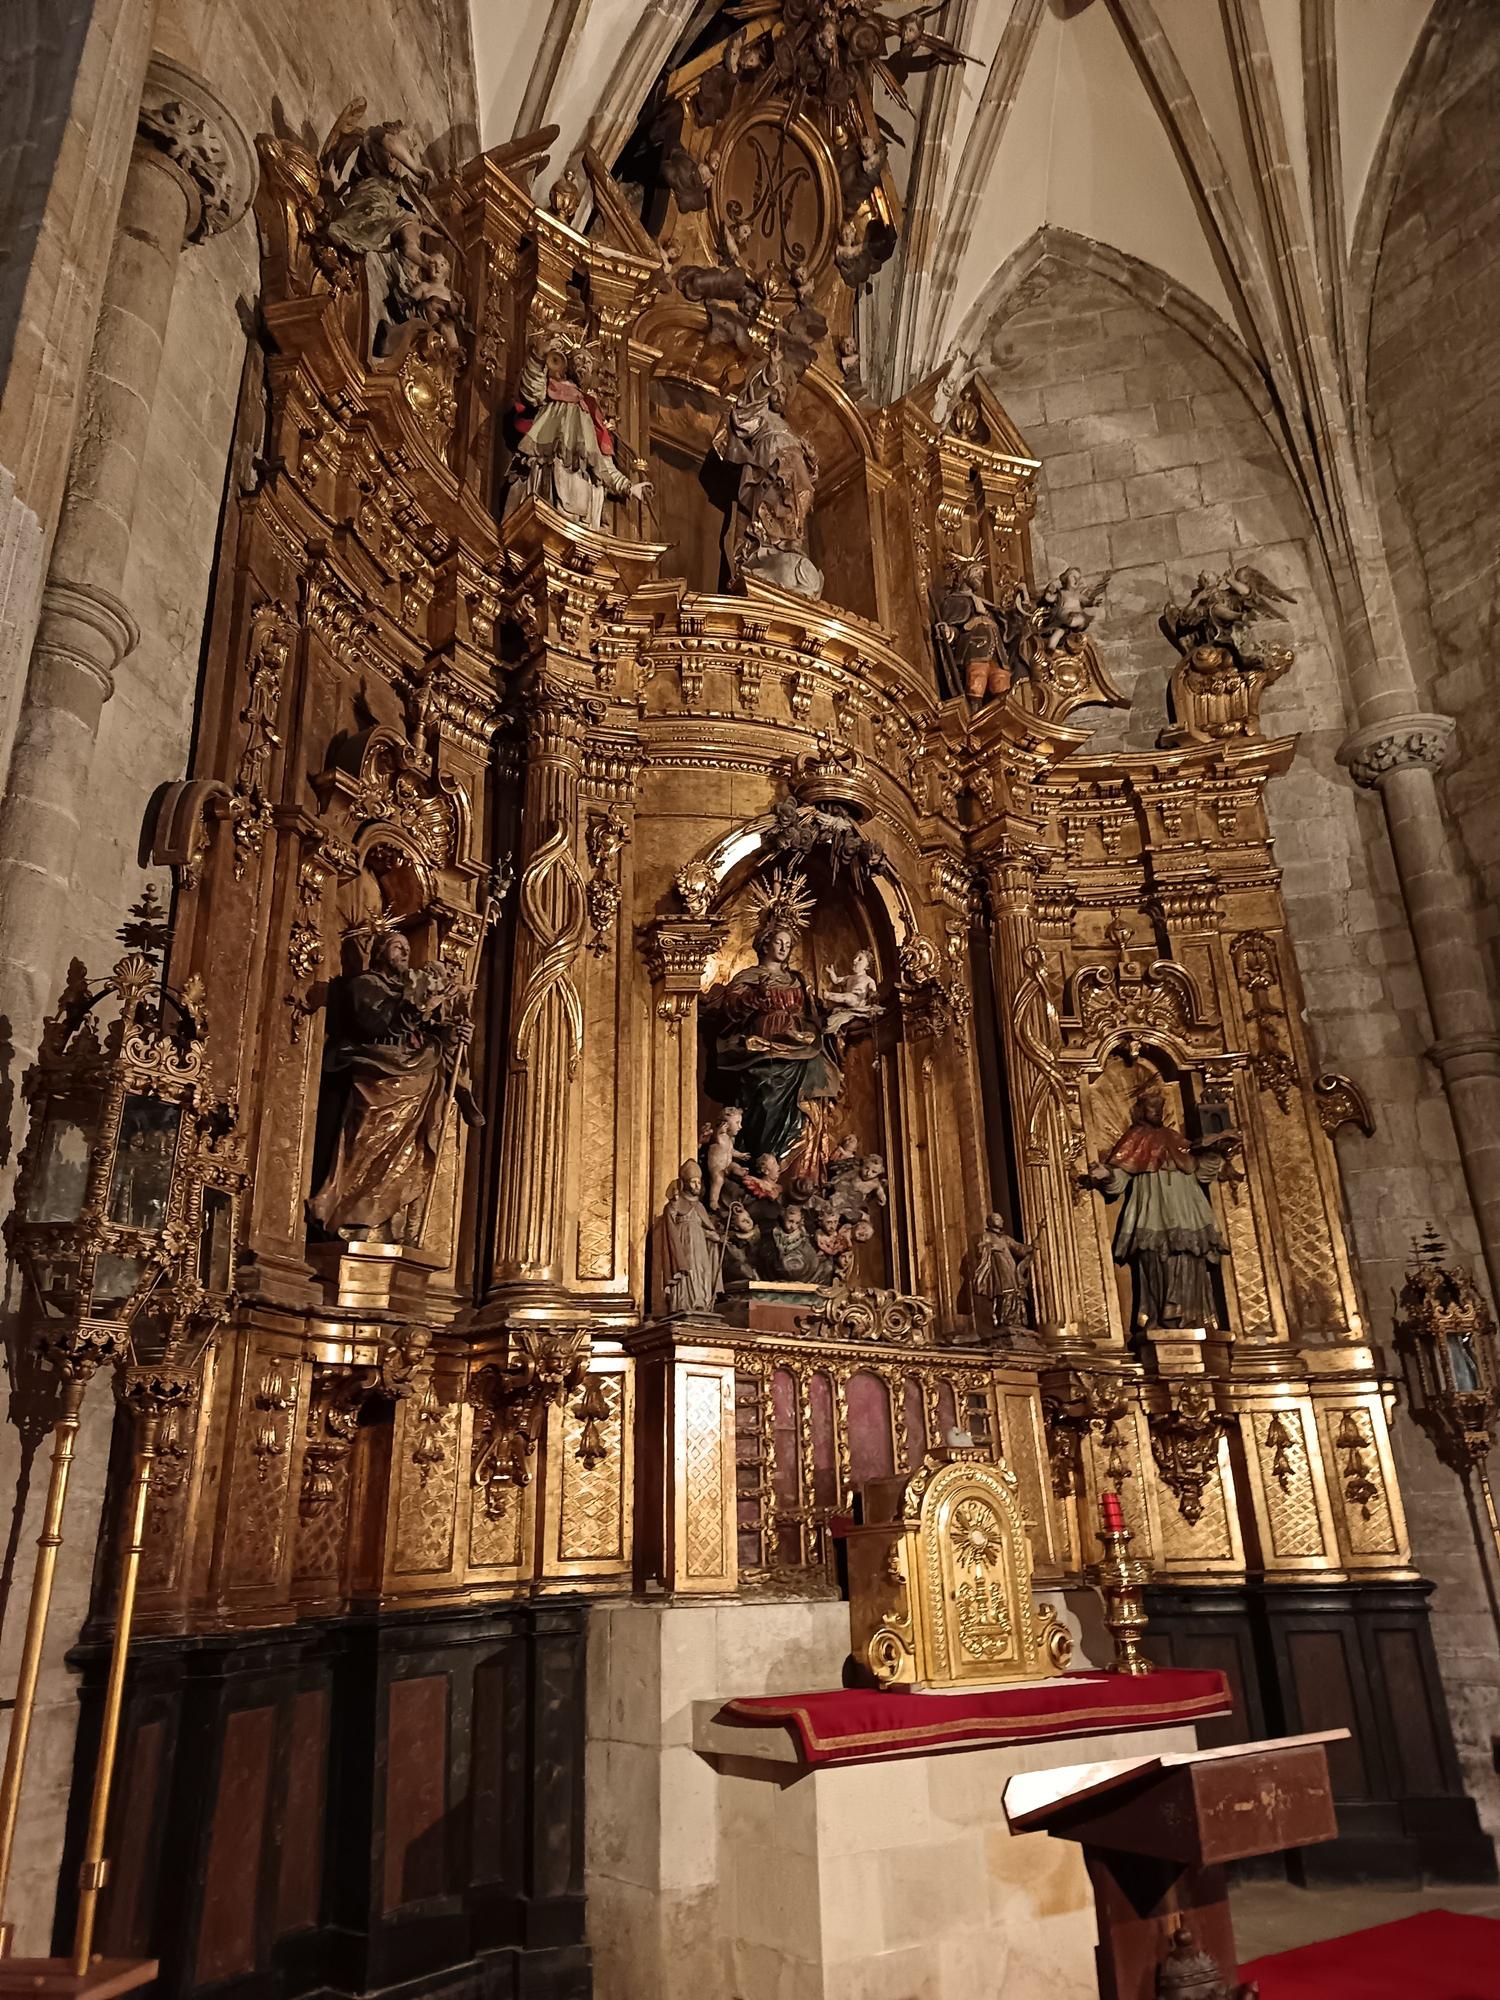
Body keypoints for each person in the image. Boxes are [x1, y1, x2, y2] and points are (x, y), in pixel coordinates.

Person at [308, 932, 475, 1241]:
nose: (405, 952)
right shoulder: (366, 985)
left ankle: (387, 1224)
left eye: (408, 948)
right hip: (376, 1076)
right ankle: (351, 1215)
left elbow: (429, 1034)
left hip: (417, 1075)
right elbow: (374, 1023)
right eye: (399, 946)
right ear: (380, 951)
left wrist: (452, 1036)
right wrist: (419, 1005)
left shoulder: (412, 991)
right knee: (366, 1145)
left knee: (407, 1152)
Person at [1078, 1081, 1236, 1330]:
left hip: (1187, 1210)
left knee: (1190, 1257)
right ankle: (1160, 1316)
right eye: (1152, 1109)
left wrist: (1215, 1151)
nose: (1158, 1113)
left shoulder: (1174, 1138)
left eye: (1160, 1109)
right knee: (1155, 1258)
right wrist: (1104, 1174)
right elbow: (1119, 1178)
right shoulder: (1134, 1139)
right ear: (1141, 1111)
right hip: (1152, 1211)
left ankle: (1192, 1315)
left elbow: (1200, 1172)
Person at [507, 329, 652, 529]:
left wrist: (629, 487)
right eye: (579, 360)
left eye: (588, 362)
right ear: (566, 365)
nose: (584, 365)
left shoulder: (590, 410)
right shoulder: (551, 389)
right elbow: (531, 391)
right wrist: (539, 356)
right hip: (550, 467)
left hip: (583, 484)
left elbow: (603, 462)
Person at [660, 1161, 723, 1315]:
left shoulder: (700, 1207)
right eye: (693, 1182)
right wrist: (673, 1205)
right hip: (683, 1242)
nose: (697, 1186)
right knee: (687, 1271)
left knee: (701, 1271)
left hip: (700, 1245)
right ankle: (683, 1303)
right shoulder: (677, 1202)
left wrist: (714, 1237)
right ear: (684, 1184)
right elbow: (669, 1220)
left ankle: (702, 1303)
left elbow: (705, 1228)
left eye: (698, 1182)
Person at [967, 1213, 1037, 1336]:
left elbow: (1018, 1248)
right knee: (1005, 1292)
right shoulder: (987, 1236)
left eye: (1001, 1218)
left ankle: (1016, 1321)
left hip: (1010, 1267)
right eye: (998, 1218)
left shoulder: (1005, 1238)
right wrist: (992, 1247)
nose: (1001, 1220)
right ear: (990, 1221)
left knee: (1015, 1292)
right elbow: (979, 1250)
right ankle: (1004, 1321)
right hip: (998, 1269)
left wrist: (1031, 1247)